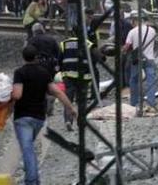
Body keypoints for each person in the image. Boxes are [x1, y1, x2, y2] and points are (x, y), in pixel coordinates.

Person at [11, 45, 76, 185]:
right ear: (36, 58)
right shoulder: (44, 73)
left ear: (23, 57)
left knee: (27, 148)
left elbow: (17, 94)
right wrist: (70, 107)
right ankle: (33, 178)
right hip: (39, 117)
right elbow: (57, 92)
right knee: (28, 147)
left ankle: (31, 181)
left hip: (22, 116)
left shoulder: (19, 73)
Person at [59, 33, 100, 131]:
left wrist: (61, 70)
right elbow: (96, 58)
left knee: (68, 99)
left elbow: (59, 60)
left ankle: (68, 121)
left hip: (68, 76)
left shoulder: (64, 44)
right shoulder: (87, 43)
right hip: (83, 77)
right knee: (81, 101)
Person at [125, 22, 158, 110]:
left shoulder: (132, 31)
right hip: (149, 58)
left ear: (134, 22)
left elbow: (127, 46)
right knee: (151, 80)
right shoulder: (152, 30)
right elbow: (155, 43)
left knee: (134, 80)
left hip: (137, 59)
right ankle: (151, 102)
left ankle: (134, 102)